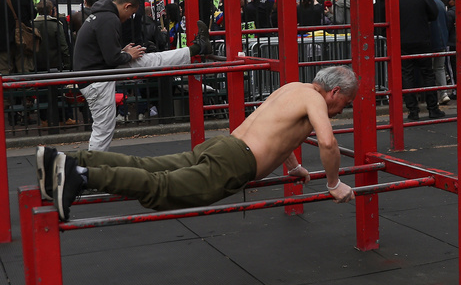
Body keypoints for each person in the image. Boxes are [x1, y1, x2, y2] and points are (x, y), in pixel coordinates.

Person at [35, 65, 359, 221]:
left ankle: (60, 159)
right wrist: (333, 183)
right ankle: (79, 175)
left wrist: (295, 166)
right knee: (161, 188)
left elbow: (281, 132)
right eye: (343, 103)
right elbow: (328, 144)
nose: (341, 109)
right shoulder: (316, 101)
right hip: (234, 162)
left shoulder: (293, 88)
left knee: (146, 166)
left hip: (223, 146)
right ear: (334, 92)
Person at [73, 0, 212, 152]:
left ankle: (197, 48)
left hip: (97, 72)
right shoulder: (109, 18)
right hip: (97, 77)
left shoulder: (101, 15)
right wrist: (125, 55)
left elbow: (103, 51)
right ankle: (90, 169)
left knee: (152, 60)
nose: (127, 19)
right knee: (103, 130)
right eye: (131, 13)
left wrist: (123, 53)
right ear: (127, 6)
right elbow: (112, 58)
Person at [398, 0, 444, 120]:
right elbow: (434, 14)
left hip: (403, 41)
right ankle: (432, 108)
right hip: (422, 39)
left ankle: (413, 111)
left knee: (407, 75)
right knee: (427, 73)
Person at [34, 0, 74, 127]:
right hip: (55, 63)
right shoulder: (56, 25)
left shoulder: (32, 25)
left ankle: (44, 120)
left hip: (38, 64)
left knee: (42, 93)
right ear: (51, 10)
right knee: (60, 92)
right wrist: (67, 64)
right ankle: (65, 118)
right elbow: (63, 46)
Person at [428, 0, 450, 105]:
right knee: (440, 68)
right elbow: (446, 22)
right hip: (442, 40)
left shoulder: (426, 3)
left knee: (429, 70)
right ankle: (444, 93)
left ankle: (433, 98)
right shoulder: (441, 4)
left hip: (430, 41)